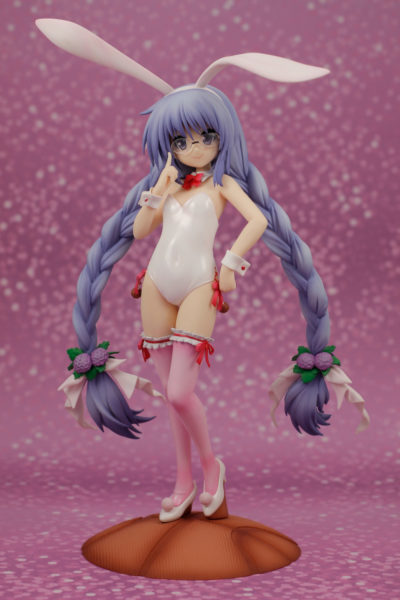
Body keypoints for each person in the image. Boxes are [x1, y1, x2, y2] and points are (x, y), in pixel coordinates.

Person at [38, 19, 369, 525]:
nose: (194, 147)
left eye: (205, 136)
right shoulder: (172, 185)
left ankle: (212, 467)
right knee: (174, 400)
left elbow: (258, 220)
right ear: (168, 144)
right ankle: (182, 481)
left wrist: (231, 264)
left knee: (179, 392)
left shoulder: (221, 185)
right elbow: (142, 230)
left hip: (198, 285)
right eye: (181, 139)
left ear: (221, 137)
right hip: (155, 285)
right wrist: (157, 192)